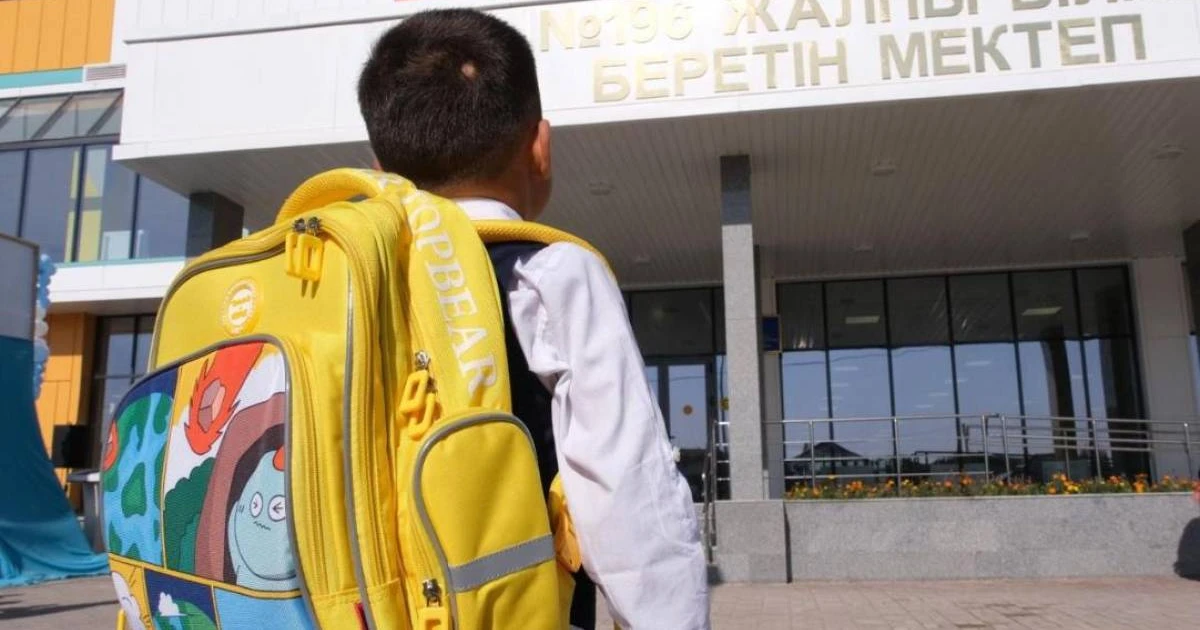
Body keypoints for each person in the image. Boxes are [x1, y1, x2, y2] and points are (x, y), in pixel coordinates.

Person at [357, 8, 710, 630]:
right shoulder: (550, 273)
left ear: (379, 171)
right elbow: (627, 492)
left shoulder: (341, 276)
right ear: (540, 148)